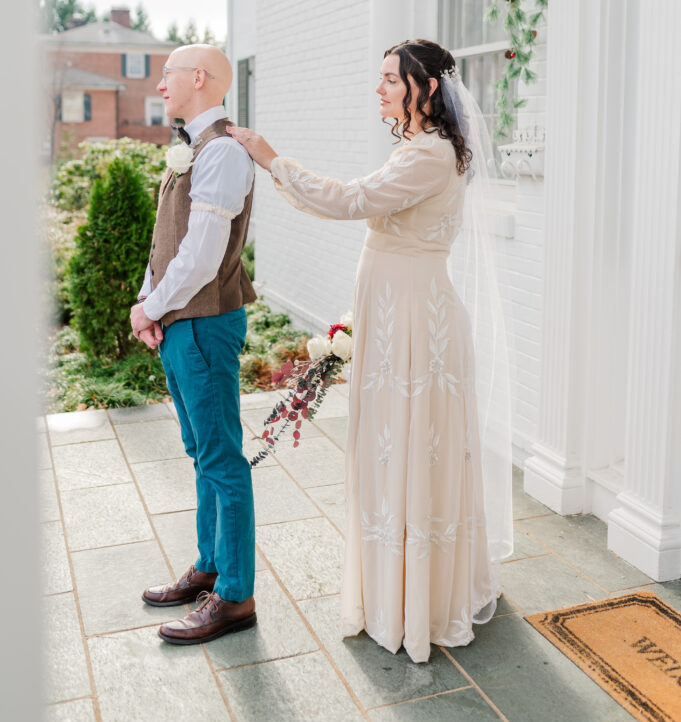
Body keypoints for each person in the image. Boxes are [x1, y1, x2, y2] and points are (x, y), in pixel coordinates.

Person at [228, 39, 513, 664]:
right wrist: (277, 172)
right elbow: (344, 203)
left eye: (392, 78)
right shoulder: (415, 149)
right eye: (379, 77)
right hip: (393, 315)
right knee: (391, 447)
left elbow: (348, 201)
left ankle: (417, 601)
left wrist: (272, 157)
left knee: (412, 447)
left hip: (416, 321)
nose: (379, 88)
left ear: (428, 87)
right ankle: (398, 588)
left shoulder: (431, 156)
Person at [129, 44, 258, 645]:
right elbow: (168, 239)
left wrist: (153, 309)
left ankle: (233, 597)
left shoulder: (225, 151)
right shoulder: (191, 148)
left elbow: (204, 253)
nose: (160, 85)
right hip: (182, 323)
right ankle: (209, 568)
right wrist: (146, 304)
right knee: (202, 453)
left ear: (198, 78)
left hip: (205, 325)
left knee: (223, 461)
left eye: (168, 74)